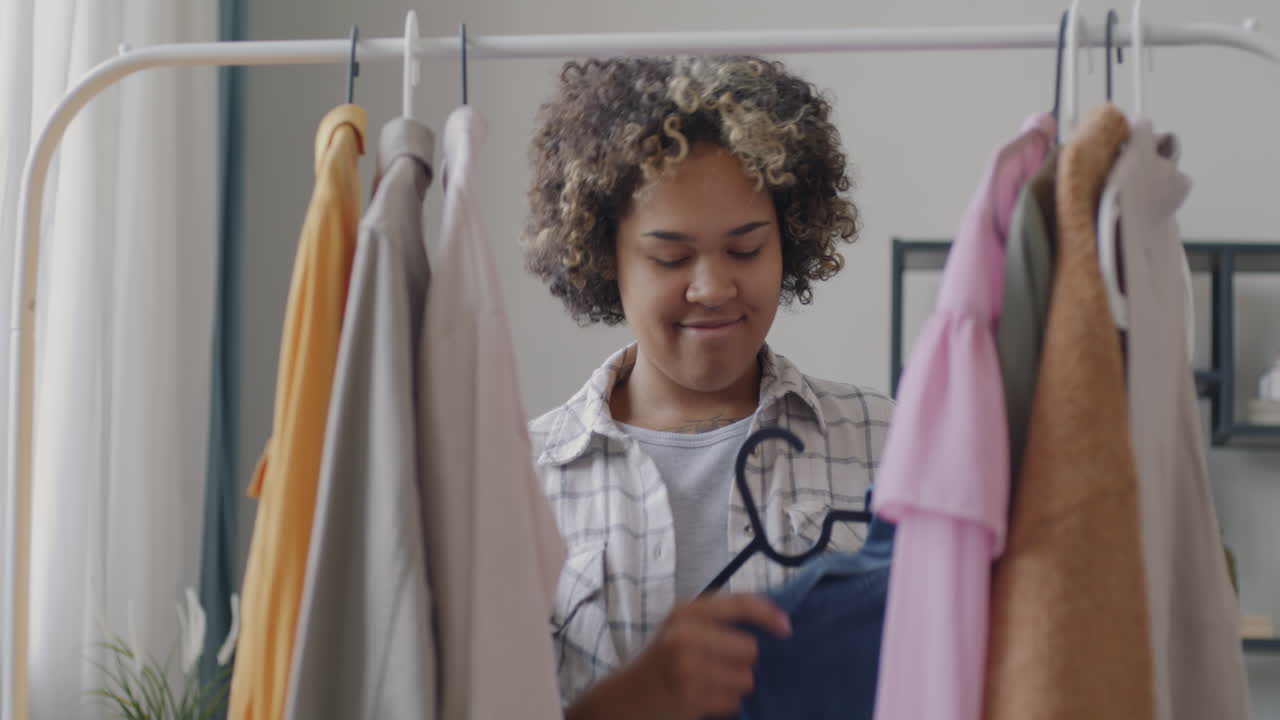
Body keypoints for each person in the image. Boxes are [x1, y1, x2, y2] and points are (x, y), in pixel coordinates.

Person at [522, 55, 894, 720]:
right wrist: (626, 704)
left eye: (746, 250)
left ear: (789, 243)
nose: (714, 288)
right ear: (606, 257)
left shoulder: (889, 444)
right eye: (670, 258)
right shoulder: (523, 480)